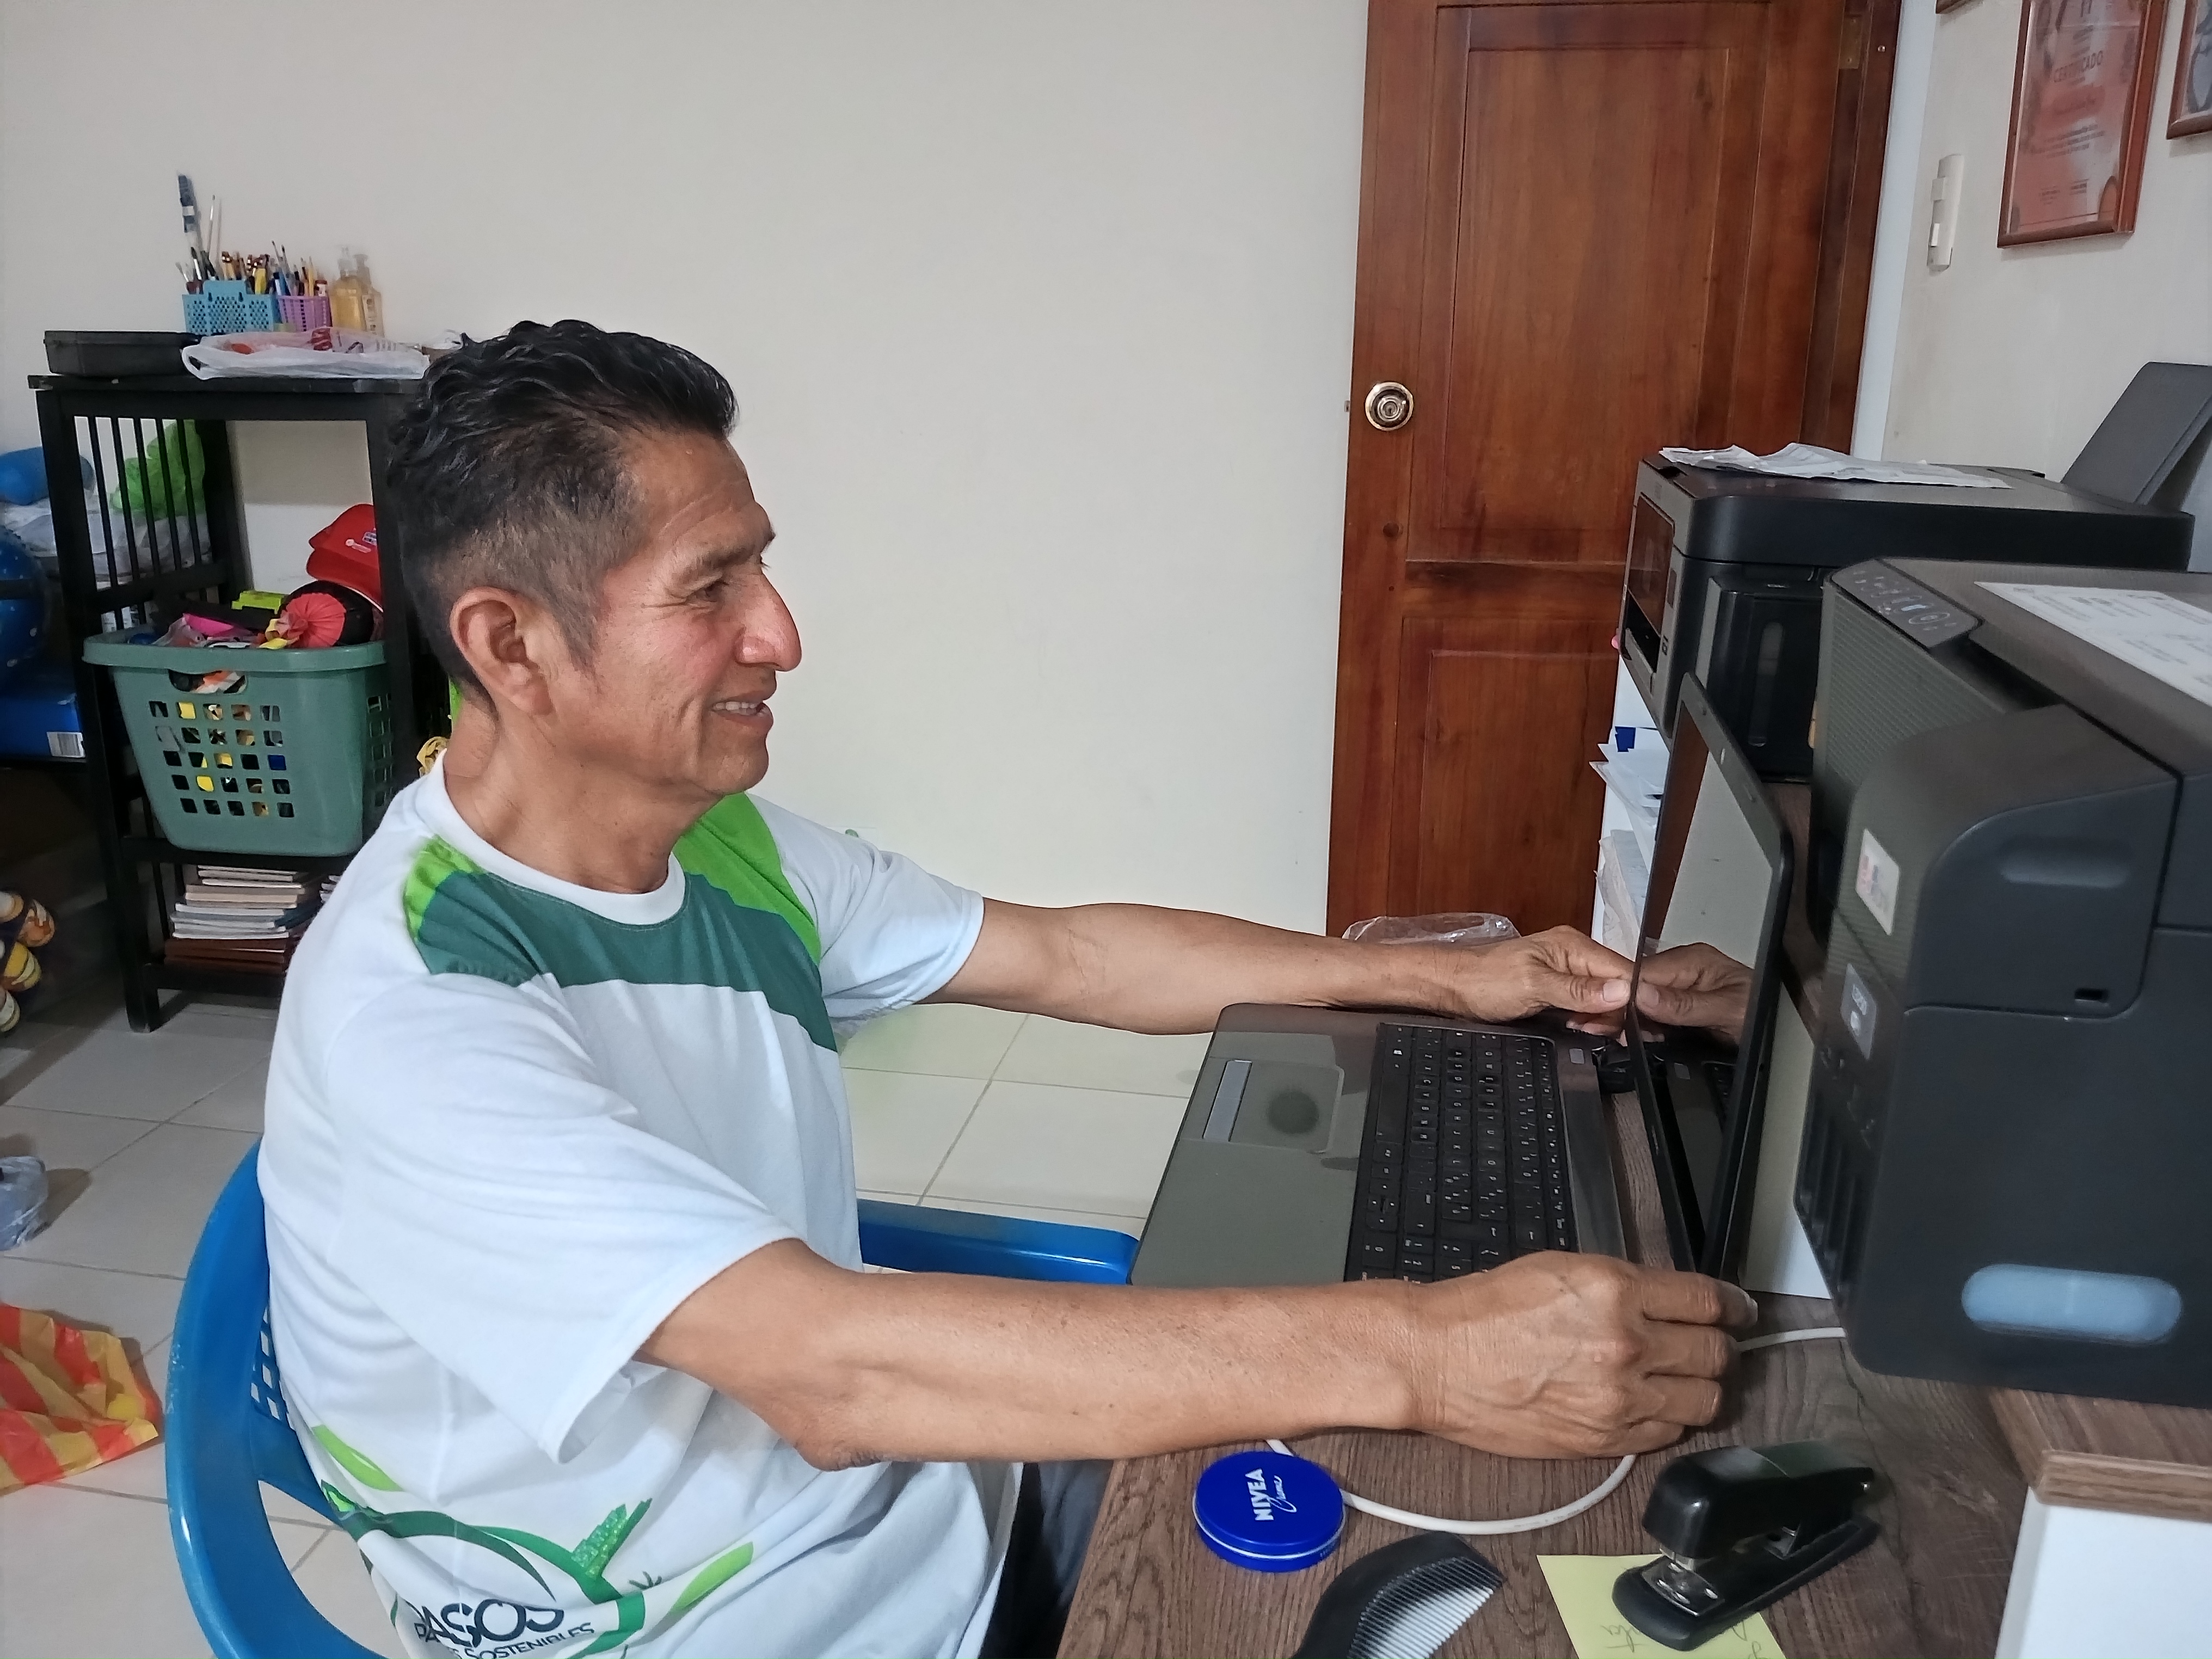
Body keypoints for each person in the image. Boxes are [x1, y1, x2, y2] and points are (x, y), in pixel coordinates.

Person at [261, 321, 1755, 1659]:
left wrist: (1457, 977)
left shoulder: (713, 845)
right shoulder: (419, 1013)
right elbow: (832, 1375)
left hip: (912, 1521)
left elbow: (1071, 956)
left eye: (760, 567)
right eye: (710, 588)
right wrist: (1427, 1353)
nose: (781, 635)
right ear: (511, 643)